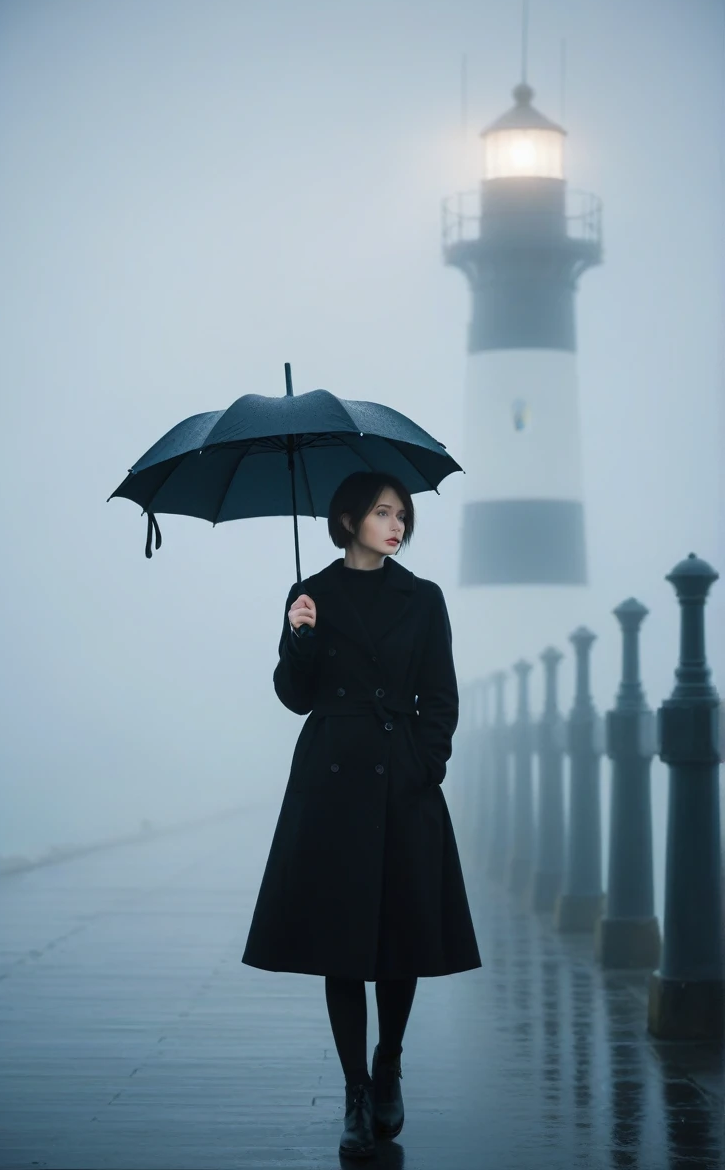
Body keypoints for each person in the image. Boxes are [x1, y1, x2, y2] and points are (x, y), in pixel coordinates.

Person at [241, 470, 481, 1160]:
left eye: (402, 514)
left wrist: (423, 763)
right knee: (339, 943)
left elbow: (441, 695)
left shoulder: (423, 598)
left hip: (401, 777)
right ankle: (353, 1089)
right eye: (383, 513)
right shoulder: (309, 593)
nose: (398, 525)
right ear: (349, 520)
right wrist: (301, 637)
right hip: (331, 780)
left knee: (400, 930)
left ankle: (389, 1062)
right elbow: (295, 695)